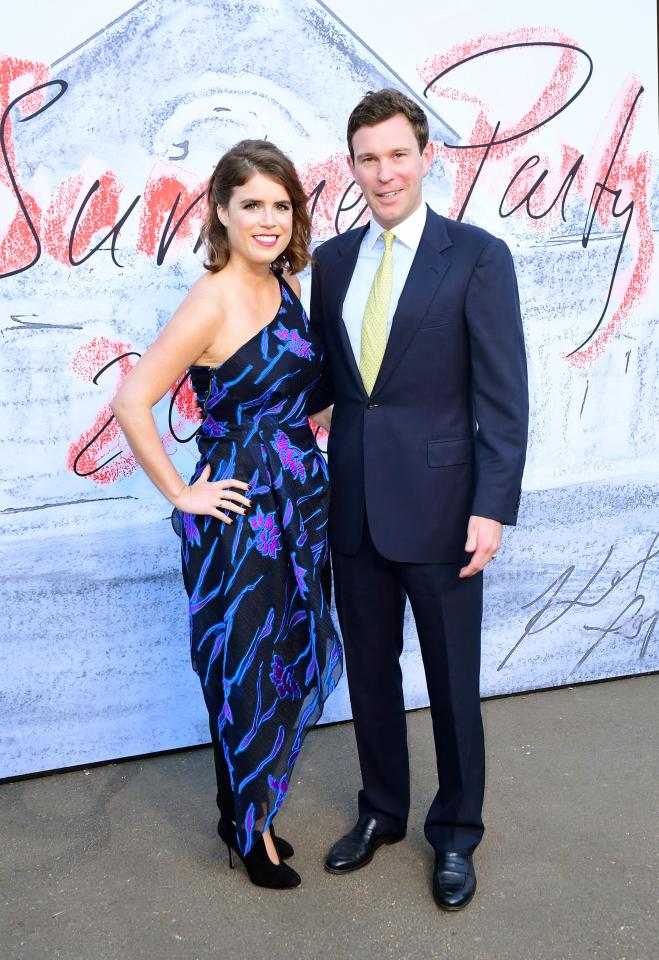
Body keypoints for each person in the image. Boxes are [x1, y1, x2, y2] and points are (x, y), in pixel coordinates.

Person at [309, 88, 528, 910]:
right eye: (367, 157)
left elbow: (504, 395)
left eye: (397, 153)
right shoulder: (329, 261)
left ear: (426, 155)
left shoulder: (475, 255)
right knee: (367, 674)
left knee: (450, 681)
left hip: (444, 509)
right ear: (352, 165)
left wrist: (491, 505)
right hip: (353, 506)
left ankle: (456, 832)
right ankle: (381, 813)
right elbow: (331, 384)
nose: (383, 171)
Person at [111, 139, 342, 890]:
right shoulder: (210, 298)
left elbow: (298, 395)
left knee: (281, 656)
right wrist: (183, 492)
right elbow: (131, 400)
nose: (268, 219)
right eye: (252, 204)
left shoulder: (285, 286)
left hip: (299, 502)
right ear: (221, 211)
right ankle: (251, 834)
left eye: (281, 204)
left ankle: (243, 809)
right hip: (239, 514)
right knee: (242, 662)